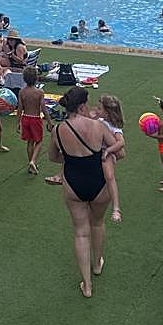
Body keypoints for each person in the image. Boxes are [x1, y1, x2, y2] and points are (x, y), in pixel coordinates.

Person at [47, 87, 117, 298]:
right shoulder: (97, 126)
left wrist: (72, 158)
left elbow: (53, 157)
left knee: (80, 231)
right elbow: (118, 149)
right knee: (97, 222)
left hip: (73, 183)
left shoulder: (58, 130)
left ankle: (86, 285)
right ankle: (97, 264)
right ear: (82, 106)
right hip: (98, 181)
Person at [92, 95, 125, 223]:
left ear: (107, 112)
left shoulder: (113, 126)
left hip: (107, 153)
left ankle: (116, 208)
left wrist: (108, 151)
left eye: (99, 108)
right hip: (97, 149)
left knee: (110, 177)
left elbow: (121, 143)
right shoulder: (100, 120)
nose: (96, 109)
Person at [18, 65, 52, 174]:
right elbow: (43, 108)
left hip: (25, 118)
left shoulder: (22, 92)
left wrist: (18, 122)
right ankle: (33, 161)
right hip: (35, 119)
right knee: (39, 141)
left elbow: (20, 108)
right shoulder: (39, 92)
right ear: (36, 78)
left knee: (29, 142)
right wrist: (49, 121)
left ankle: (31, 165)